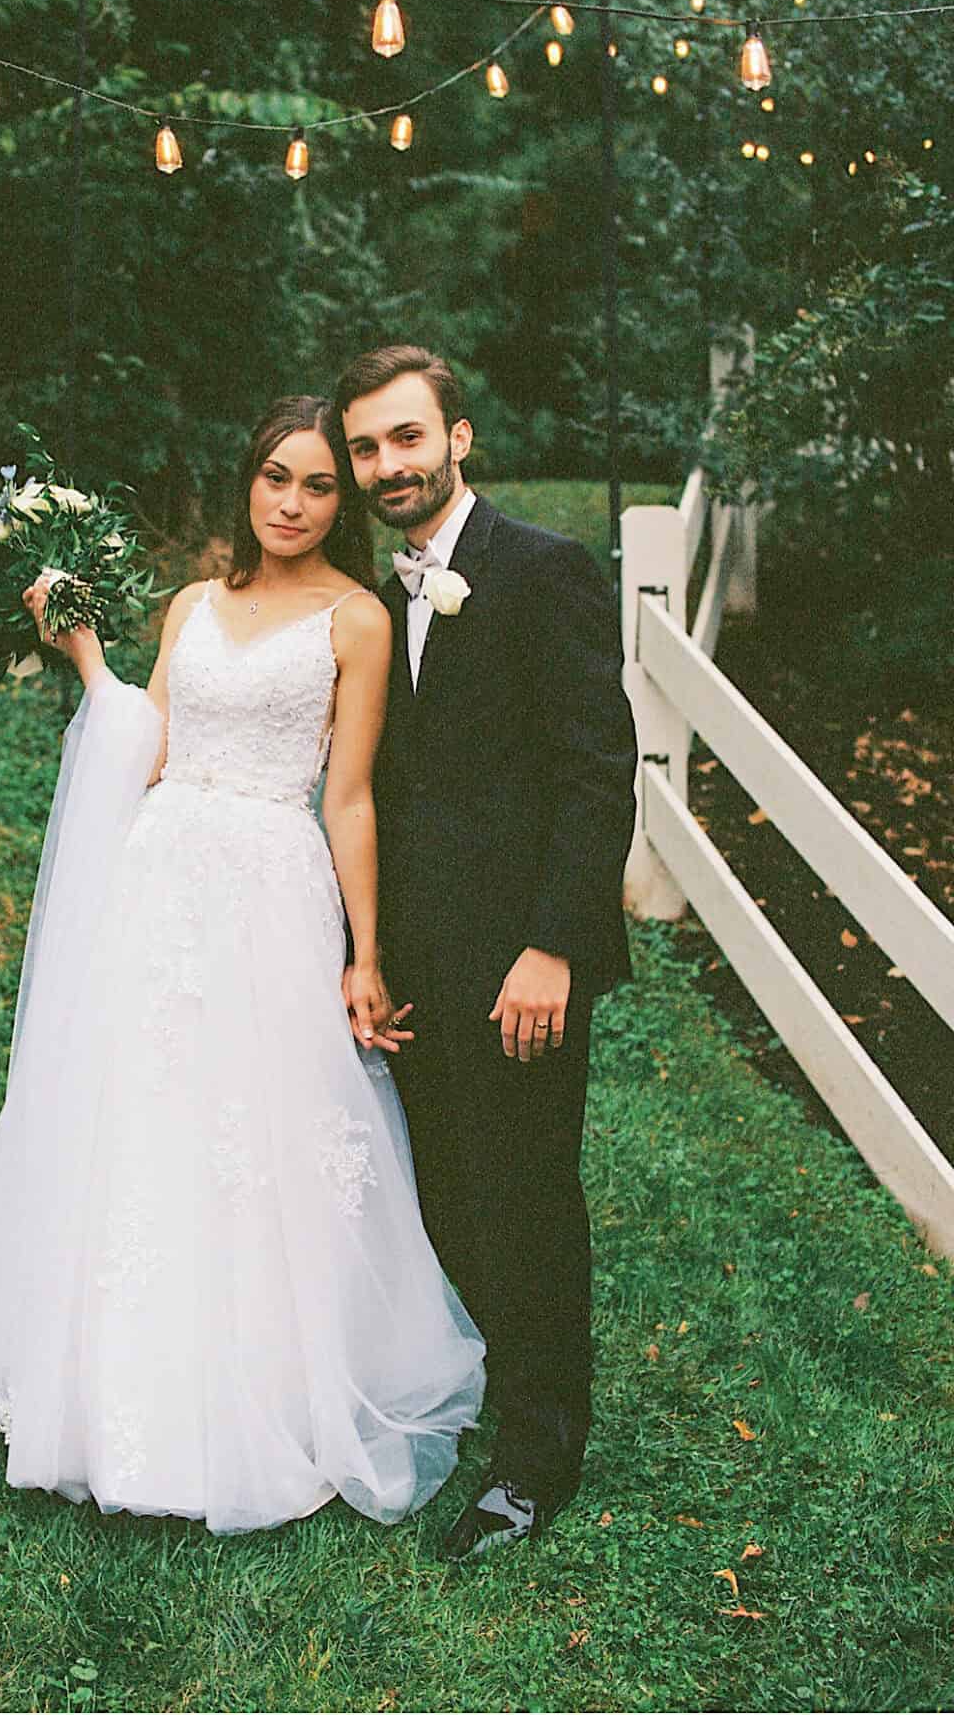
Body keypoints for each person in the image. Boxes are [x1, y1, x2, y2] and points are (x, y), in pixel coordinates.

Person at [0, 395, 485, 1535]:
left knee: (256, 1128)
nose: (291, 502)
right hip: (163, 872)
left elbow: (350, 791)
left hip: (272, 883)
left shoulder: (356, 619)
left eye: (319, 485)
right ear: (247, 480)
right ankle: (104, 1379)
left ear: (341, 502)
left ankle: (262, 1382)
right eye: (275, 477)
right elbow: (154, 746)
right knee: (142, 1114)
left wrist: (363, 952)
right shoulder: (192, 604)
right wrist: (84, 653)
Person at [337, 344, 636, 1561]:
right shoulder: (375, 588)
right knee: (442, 1191)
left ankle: (534, 1459)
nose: (385, 465)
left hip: (519, 964)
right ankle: (469, 1387)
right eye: (365, 446)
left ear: (459, 437)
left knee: (525, 1201)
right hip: (411, 957)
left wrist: (553, 947)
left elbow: (595, 770)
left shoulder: (546, 571)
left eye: (406, 437)